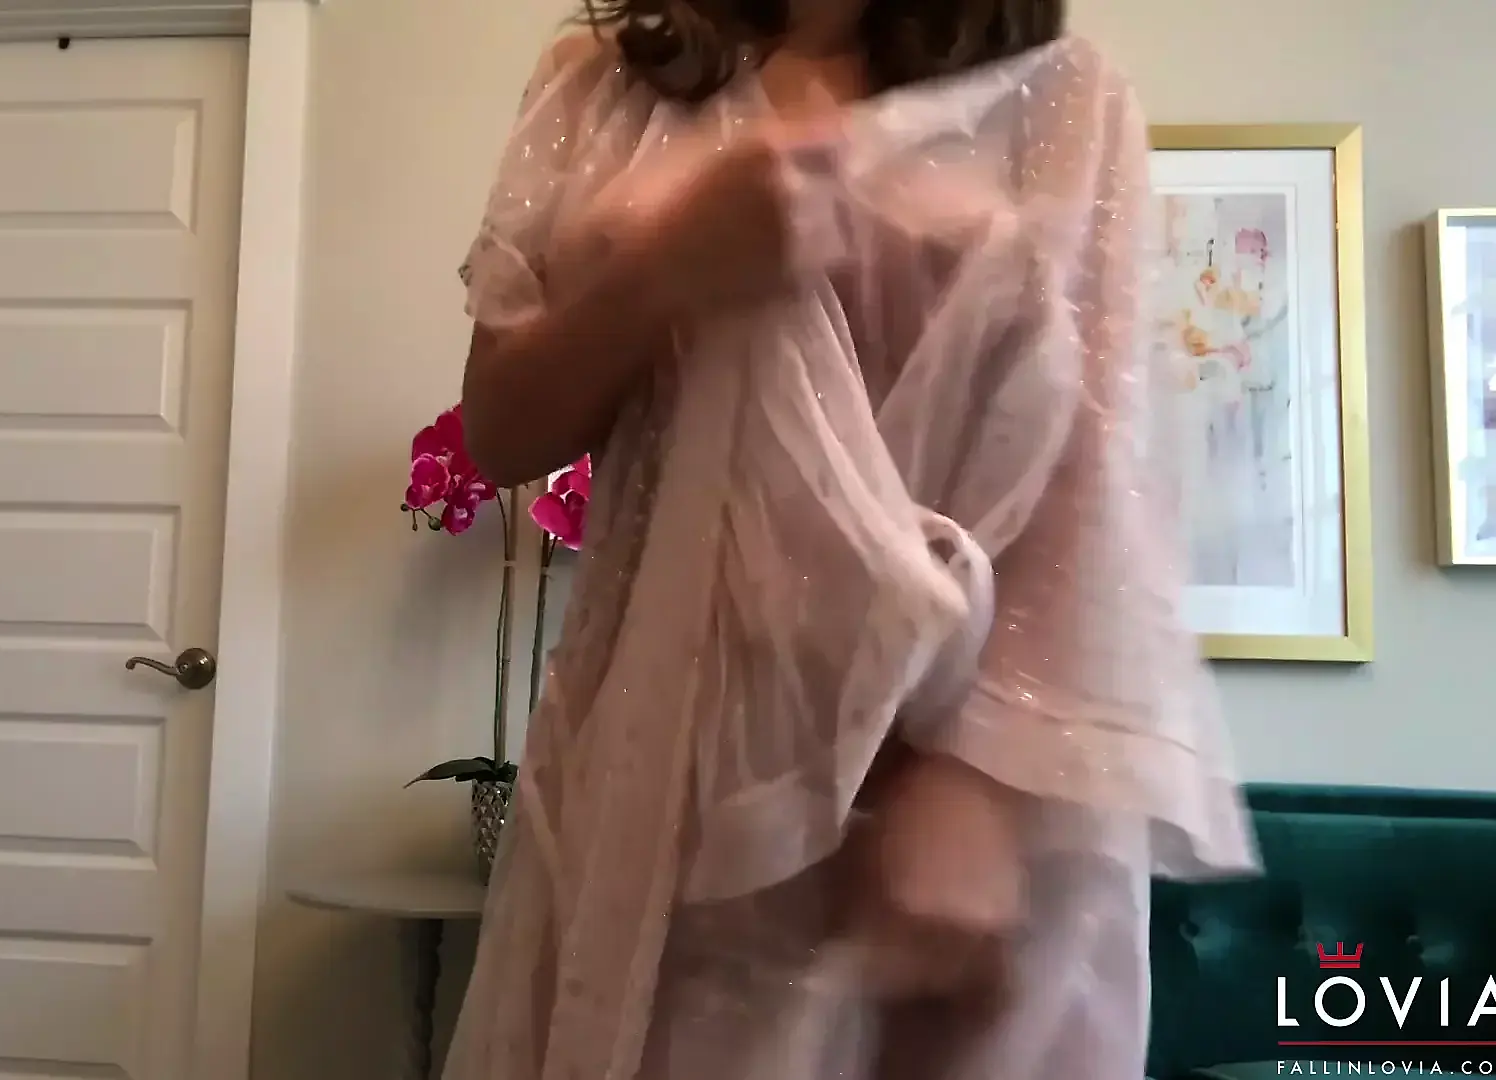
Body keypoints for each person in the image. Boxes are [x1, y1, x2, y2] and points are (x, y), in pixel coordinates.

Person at [446, 2, 1257, 1078]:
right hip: (657, 773)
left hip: (953, 791)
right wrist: (662, 271)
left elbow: (1098, 472)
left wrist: (974, 785)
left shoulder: (1065, 97)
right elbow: (502, 430)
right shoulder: (601, 83)